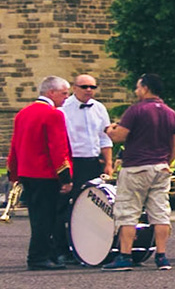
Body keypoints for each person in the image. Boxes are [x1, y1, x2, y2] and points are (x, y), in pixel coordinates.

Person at [97, 72, 175, 272]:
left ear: (145, 88)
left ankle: (125, 256)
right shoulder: (171, 113)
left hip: (136, 167)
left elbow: (119, 136)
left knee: (128, 212)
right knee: (160, 213)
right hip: (160, 167)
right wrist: (167, 161)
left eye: (138, 87)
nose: (136, 91)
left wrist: (109, 129)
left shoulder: (136, 110)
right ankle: (162, 256)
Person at [7, 75, 74, 271]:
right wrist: (65, 177)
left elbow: (15, 146)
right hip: (46, 174)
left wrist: (13, 174)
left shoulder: (23, 113)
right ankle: (38, 257)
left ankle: (48, 254)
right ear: (51, 92)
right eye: (64, 93)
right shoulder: (53, 114)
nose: (66, 97)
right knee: (47, 218)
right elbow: (58, 149)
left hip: (27, 173)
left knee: (37, 217)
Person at [59, 72, 112, 264]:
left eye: (92, 87)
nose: (89, 90)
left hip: (93, 162)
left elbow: (105, 138)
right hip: (73, 162)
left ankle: (90, 249)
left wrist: (108, 163)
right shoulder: (64, 108)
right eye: (84, 87)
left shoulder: (99, 108)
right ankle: (62, 249)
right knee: (65, 205)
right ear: (74, 88)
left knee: (92, 205)